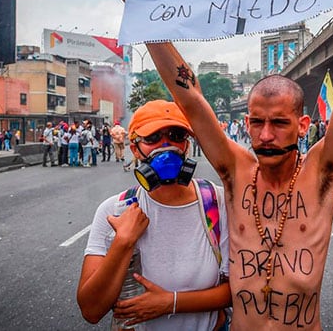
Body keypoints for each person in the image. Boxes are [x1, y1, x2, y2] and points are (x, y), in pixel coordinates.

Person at [112, 0, 333, 328]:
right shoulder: (236, 171)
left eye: (279, 123)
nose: (265, 135)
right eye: (256, 122)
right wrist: (143, 12)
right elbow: (191, 101)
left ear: (303, 126)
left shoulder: (321, 174)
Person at [77, 100, 231, 329]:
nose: (166, 145)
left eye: (176, 135)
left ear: (186, 146)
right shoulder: (115, 211)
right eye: (152, 138)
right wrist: (123, 242)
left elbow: (240, 289)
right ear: (134, 148)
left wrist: (171, 303)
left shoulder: (216, 203)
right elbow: (91, 310)